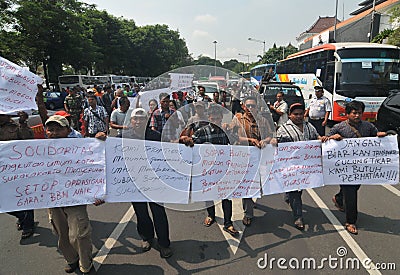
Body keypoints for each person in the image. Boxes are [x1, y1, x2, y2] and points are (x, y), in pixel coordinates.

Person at [45, 115, 104, 274]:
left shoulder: (80, 146)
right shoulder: (40, 149)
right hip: (54, 199)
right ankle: (72, 260)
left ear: (68, 130)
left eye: (59, 129)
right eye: (51, 129)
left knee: (80, 233)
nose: (54, 133)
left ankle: (86, 265)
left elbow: (93, 167)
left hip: (75, 197)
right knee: (61, 233)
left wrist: (100, 142)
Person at [328, 101, 386, 235]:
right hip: (344, 167)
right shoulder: (339, 127)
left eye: (359, 112)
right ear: (347, 114)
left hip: (360, 167)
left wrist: (380, 136)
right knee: (351, 192)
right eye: (354, 113)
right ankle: (350, 221)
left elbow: (375, 136)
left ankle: (338, 198)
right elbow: (326, 140)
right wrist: (332, 137)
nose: (357, 115)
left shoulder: (368, 126)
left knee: (354, 187)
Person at [122, 108, 173, 258]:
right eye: (135, 119)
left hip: (154, 183)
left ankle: (164, 244)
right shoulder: (123, 137)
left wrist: (184, 143)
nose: (138, 122)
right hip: (134, 184)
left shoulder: (156, 137)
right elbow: (109, 150)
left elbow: (170, 151)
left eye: (141, 119)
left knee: (159, 213)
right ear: (131, 121)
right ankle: (147, 237)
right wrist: (101, 139)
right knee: (141, 213)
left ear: (147, 120)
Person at [181, 105, 239, 236]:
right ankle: (211, 215)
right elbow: (191, 143)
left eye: (218, 118)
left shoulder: (226, 131)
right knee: (208, 194)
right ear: (209, 118)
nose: (216, 121)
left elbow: (237, 141)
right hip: (206, 170)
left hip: (223, 170)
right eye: (213, 119)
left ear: (222, 118)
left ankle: (228, 223)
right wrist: (185, 140)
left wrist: (251, 140)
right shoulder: (202, 132)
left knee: (226, 196)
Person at [277, 103, 328, 230]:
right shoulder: (283, 128)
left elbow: (315, 137)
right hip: (291, 166)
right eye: (296, 114)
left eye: (301, 114)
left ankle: (289, 196)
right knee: (296, 191)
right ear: (290, 115)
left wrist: (321, 139)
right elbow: (278, 144)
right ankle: (298, 216)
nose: (299, 116)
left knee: (299, 189)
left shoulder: (308, 126)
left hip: (305, 166)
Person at [230, 96, 274, 226]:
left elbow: (269, 135)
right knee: (248, 184)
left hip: (260, 157)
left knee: (259, 183)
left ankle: (251, 200)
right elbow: (233, 135)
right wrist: (250, 141)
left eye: (253, 106)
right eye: (247, 106)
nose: (250, 108)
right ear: (243, 106)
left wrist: (264, 141)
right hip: (244, 157)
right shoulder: (238, 119)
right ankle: (248, 213)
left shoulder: (263, 120)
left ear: (257, 107)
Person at [0, 112, 35, 239]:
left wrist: (23, 123)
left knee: (23, 195)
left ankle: (28, 224)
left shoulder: (16, 127)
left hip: (17, 169)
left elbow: (29, 140)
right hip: (2, 171)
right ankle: (22, 216)